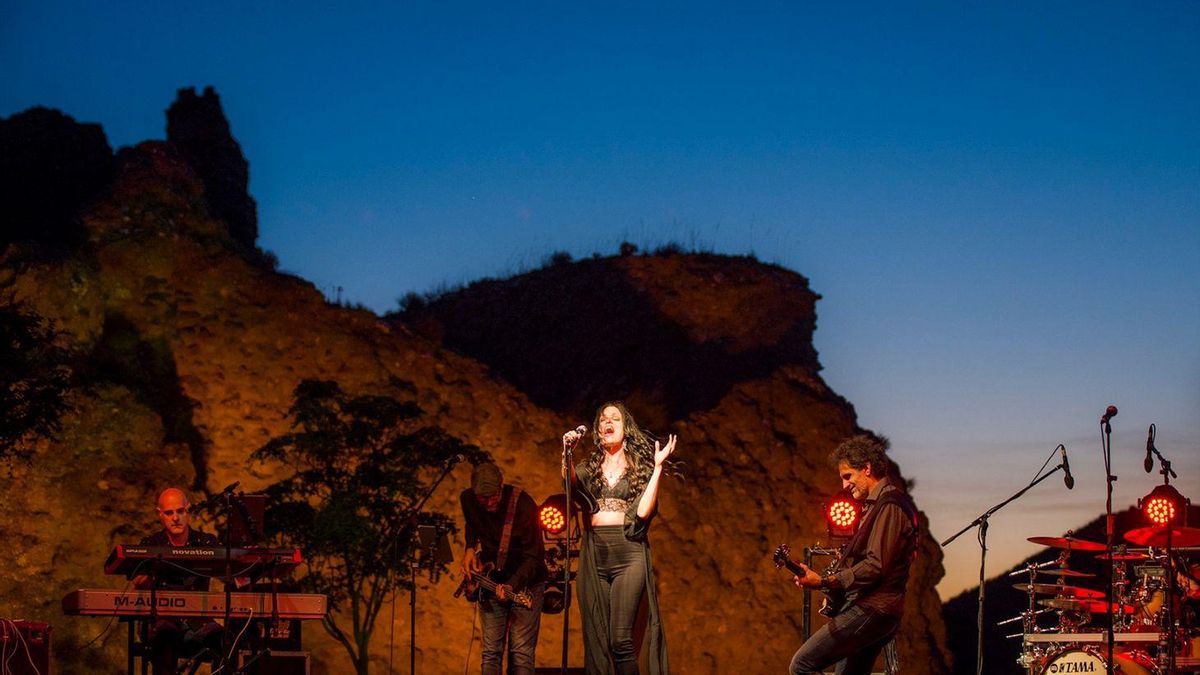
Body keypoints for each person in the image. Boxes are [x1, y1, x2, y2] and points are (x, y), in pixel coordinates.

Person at [787, 435, 918, 675]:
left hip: (872, 611)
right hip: (877, 612)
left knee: (801, 665)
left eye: (848, 476)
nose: (845, 485)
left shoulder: (890, 506)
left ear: (866, 468)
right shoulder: (877, 506)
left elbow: (875, 566)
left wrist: (825, 582)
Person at [562, 401, 675, 675]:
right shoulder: (590, 467)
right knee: (598, 642)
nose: (607, 422)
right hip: (595, 556)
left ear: (625, 429)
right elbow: (569, 484)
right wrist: (565, 453)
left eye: (614, 418)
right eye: (603, 419)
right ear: (599, 429)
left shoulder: (639, 468)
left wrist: (658, 468)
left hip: (628, 555)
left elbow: (645, 511)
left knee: (620, 640)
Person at [460, 462, 548, 675]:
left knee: (521, 653)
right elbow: (472, 523)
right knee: (491, 652)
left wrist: (512, 584)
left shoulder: (523, 505)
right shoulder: (468, 500)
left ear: (502, 485)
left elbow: (534, 557)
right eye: (483, 498)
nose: (489, 503)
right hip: (491, 580)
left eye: (493, 496)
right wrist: (470, 547)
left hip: (526, 582)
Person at [133, 487, 224, 674]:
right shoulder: (151, 544)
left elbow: (229, 570)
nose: (175, 518)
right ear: (160, 515)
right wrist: (159, 567)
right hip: (159, 620)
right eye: (169, 513)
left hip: (198, 621)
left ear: (188, 510)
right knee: (165, 635)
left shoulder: (205, 542)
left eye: (180, 511)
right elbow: (138, 581)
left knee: (227, 641)